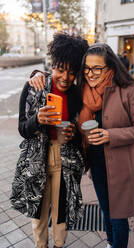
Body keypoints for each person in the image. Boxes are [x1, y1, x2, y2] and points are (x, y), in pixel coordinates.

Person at [28, 43, 134, 248]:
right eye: (87, 68)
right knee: (105, 209)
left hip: (120, 167)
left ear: (110, 67)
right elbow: (60, 75)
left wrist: (110, 135)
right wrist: (37, 74)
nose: (90, 73)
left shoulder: (130, 90)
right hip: (96, 163)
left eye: (97, 68)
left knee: (118, 217)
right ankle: (110, 243)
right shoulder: (84, 88)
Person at [10, 33, 89, 248]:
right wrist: (37, 120)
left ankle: (58, 245)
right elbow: (23, 130)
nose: (65, 77)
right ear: (52, 65)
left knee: (61, 210)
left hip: (65, 158)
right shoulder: (34, 88)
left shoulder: (76, 94)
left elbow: (81, 132)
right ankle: (41, 245)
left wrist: (74, 135)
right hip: (38, 159)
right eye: (61, 70)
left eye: (72, 72)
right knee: (40, 209)